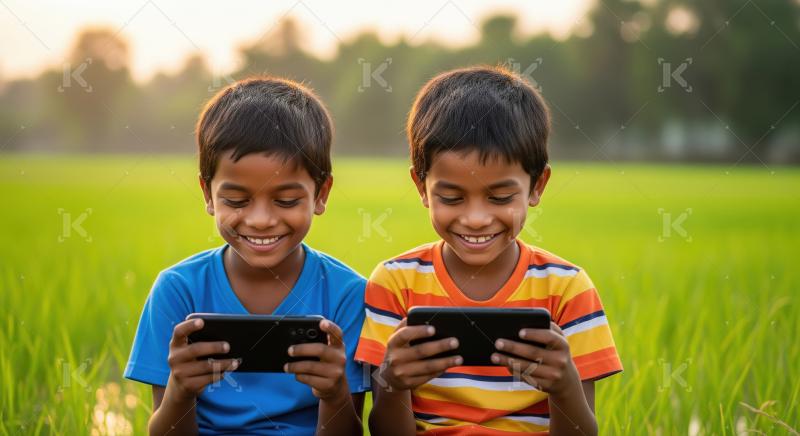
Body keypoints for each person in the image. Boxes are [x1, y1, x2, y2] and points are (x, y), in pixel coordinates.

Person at [356, 66, 623, 435]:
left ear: (537, 185)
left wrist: (564, 387)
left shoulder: (567, 290)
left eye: (500, 197)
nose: (477, 219)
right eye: (451, 197)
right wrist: (392, 382)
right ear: (421, 185)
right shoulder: (395, 283)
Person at [125, 77, 367, 435]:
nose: (261, 220)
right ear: (207, 193)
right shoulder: (178, 291)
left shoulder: (346, 294)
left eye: (286, 201)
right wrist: (180, 391)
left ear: (321, 193)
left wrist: (334, 394)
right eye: (236, 201)